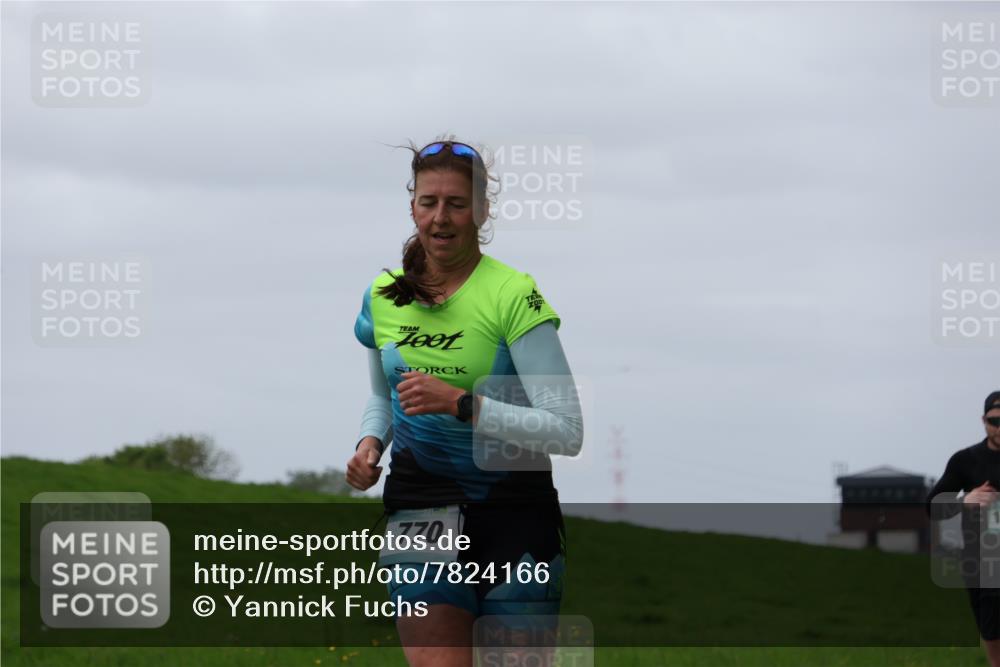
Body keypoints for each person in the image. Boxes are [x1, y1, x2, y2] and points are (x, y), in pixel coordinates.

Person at [345, 137, 584, 667]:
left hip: (513, 515)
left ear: (481, 210)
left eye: (456, 203)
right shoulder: (383, 296)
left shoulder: (513, 294)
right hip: (419, 508)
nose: (441, 218)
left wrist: (463, 404)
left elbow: (566, 431)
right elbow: (383, 397)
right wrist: (368, 445)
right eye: (429, 203)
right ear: (412, 207)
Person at [927, 390, 1000, 666]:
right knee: (990, 630)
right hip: (979, 557)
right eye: (995, 421)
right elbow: (932, 506)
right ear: (984, 420)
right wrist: (964, 500)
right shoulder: (965, 460)